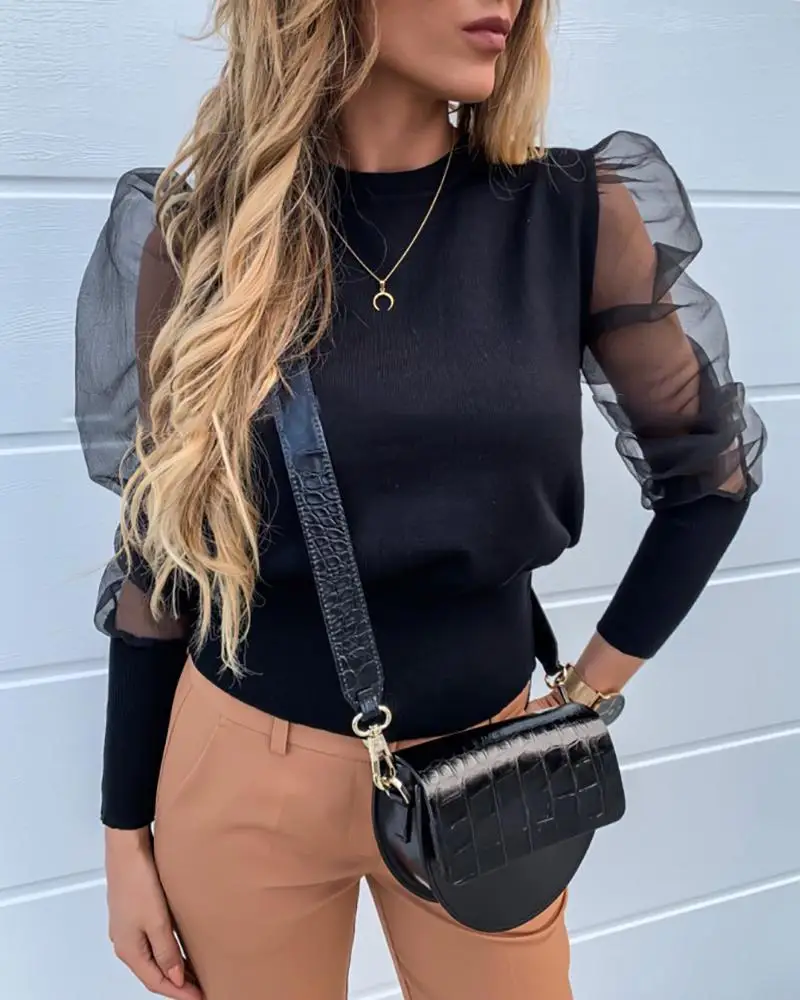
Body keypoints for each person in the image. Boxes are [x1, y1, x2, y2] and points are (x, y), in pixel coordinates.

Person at [74, 1, 766, 998]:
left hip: (493, 778)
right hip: (241, 775)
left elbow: (708, 478)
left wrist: (579, 697)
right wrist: (122, 834)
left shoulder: (572, 214)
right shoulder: (205, 238)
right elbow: (160, 555)